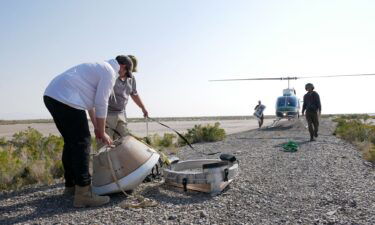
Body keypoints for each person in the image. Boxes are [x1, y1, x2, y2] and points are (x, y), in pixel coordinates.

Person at [43, 55, 129, 207]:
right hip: (65, 98)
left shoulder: (98, 68)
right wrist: (102, 132)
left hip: (52, 95)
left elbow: (91, 105)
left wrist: (97, 127)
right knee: (82, 142)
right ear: (122, 66)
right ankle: (83, 193)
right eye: (126, 73)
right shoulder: (109, 72)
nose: (124, 76)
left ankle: (71, 186)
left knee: (71, 142)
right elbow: (101, 102)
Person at [97, 55, 148, 147]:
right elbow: (100, 97)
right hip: (107, 115)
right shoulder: (111, 75)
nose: (130, 73)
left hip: (121, 114)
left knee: (123, 142)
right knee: (105, 145)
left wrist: (143, 108)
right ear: (123, 66)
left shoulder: (131, 78)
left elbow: (134, 94)